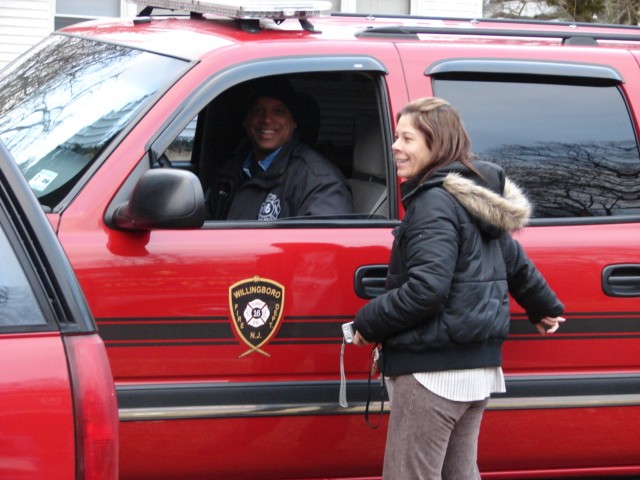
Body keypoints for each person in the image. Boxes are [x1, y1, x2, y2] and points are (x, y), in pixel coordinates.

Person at [351, 97, 565, 479]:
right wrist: (542, 306)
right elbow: (512, 258)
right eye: (396, 137)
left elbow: (426, 291)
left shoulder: (434, 202)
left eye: (407, 139)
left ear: (438, 145)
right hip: (476, 368)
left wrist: (368, 322)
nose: (395, 146)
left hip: (433, 372)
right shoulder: (473, 197)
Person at [206, 77, 353, 221]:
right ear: (246, 120)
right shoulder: (230, 171)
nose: (266, 119)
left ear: (294, 121)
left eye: (279, 111)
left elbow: (320, 243)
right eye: (257, 110)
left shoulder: (320, 182)